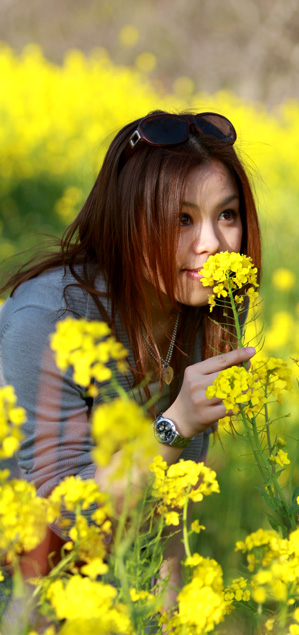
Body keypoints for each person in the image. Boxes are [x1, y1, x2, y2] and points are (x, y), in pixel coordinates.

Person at [0, 110, 261, 584]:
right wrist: (175, 424)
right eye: (182, 218)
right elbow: (71, 517)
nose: (212, 244)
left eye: (227, 214)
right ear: (129, 221)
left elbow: (167, 502)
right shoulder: (47, 322)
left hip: (99, 575)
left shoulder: (200, 311)